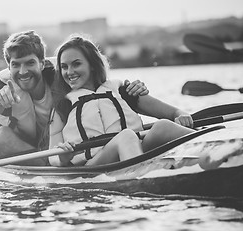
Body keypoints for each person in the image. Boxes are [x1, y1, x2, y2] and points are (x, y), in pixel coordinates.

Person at [0, 30, 149, 165]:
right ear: (9, 66)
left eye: (30, 63)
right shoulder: (1, 84)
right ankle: (48, 168)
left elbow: (99, 88)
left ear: (42, 64)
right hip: (26, 148)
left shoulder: (61, 73)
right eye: (16, 65)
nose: (23, 71)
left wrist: (131, 89)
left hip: (56, 143)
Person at [48, 35, 195, 167]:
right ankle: (141, 178)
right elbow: (52, 157)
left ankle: (211, 147)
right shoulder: (63, 106)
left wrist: (182, 115)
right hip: (95, 165)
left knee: (162, 126)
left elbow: (173, 112)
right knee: (126, 136)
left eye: (76, 64)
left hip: (137, 150)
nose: (69, 72)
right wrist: (62, 158)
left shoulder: (122, 91)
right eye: (64, 67)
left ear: (92, 65)